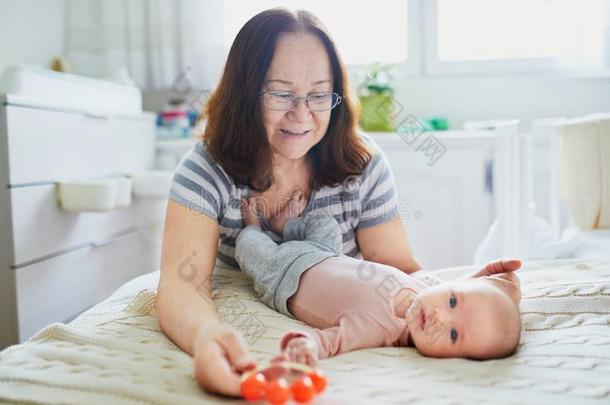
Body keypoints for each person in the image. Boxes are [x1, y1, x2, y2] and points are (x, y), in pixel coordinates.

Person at [156, 7, 522, 398]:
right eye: (281, 94)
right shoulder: (205, 170)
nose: (302, 114)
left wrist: (469, 298)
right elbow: (181, 285)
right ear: (245, 94)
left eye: (318, 95)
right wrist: (207, 337)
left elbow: (398, 269)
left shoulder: (361, 163)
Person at [235, 192, 522, 365]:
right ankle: (286, 225)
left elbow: (329, 341)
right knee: (326, 225)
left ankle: (256, 229)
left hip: (282, 274)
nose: (439, 317)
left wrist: (306, 347)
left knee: (249, 249)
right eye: (451, 301)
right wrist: (492, 280)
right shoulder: (425, 289)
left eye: (454, 334)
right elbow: (461, 286)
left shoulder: (376, 330)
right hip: (325, 252)